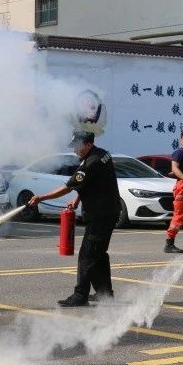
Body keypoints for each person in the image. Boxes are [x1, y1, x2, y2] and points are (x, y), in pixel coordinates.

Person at [28, 131, 120, 307]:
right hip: (107, 212)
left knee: (87, 256)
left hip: (100, 216)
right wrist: (77, 199)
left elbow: (68, 187)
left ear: (88, 144)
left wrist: (41, 198)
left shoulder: (91, 163)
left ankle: (80, 296)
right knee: (98, 255)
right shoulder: (102, 154)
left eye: (78, 146)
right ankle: (105, 294)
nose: (75, 150)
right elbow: (93, 183)